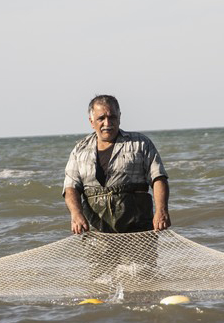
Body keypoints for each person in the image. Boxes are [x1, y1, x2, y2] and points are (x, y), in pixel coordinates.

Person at [63, 95, 170, 234]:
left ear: (119, 117)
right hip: (96, 233)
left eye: (112, 117)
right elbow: (70, 187)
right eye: (101, 118)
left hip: (138, 231)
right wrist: (76, 214)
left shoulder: (140, 143)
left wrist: (161, 211)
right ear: (91, 121)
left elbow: (158, 178)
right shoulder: (80, 149)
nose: (107, 123)